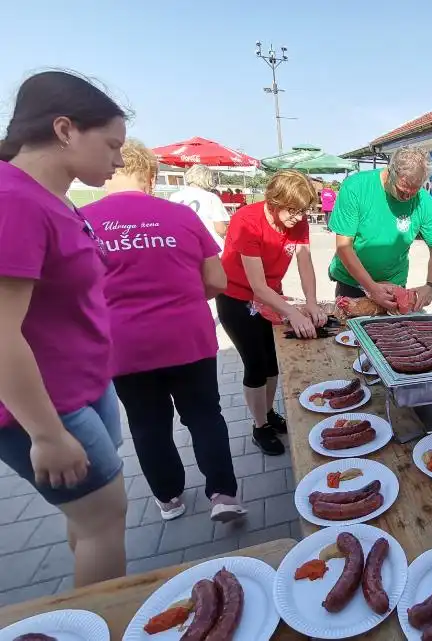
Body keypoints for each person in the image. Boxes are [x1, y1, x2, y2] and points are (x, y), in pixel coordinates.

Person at [0, 71, 128, 586]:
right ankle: (101, 621)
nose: (120, 160)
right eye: (112, 145)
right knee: (104, 519)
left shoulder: (53, 197)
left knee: (89, 514)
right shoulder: (15, 201)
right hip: (47, 406)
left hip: (83, 386)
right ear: (65, 130)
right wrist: (47, 434)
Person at [83, 140, 246, 523]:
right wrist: (185, 299)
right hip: (187, 336)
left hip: (124, 344)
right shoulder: (180, 216)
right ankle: (223, 493)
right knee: (205, 415)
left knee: (147, 424)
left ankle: (169, 498)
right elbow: (217, 280)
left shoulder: (82, 220)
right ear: (152, 176)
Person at [216, 171, 327, 455]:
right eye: (292, 210)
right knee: (255, 365)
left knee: (273, 362)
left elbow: (305, 263)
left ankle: (268, 413)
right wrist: (294, 314)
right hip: (237, 298)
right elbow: (257, 286)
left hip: (271, 296)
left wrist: (312, 303)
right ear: (273, 201)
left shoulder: (297, 222)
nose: (299, 218)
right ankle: (259, 427)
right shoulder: (247, 221)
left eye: (303, 211)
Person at [328, 145, 432, 311]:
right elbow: (343, 247)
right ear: (391, 172)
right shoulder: (356, 187)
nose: (407, 197)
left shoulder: (424, 202)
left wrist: (431, 286)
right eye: (402, 191)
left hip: (394, 284)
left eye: (414, 192)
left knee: (390, 334)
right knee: (352, 333)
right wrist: (371, 287)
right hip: (352, 282)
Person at [170, 164, 230, 249]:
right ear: (208, 179)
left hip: (183, 246)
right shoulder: (211, 197)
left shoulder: (174, 196)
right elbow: (220, 229)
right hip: (210, 248)